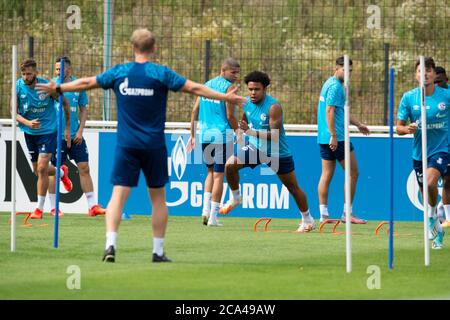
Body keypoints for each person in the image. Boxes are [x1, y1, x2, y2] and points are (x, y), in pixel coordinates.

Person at [36, 28, 246, 263]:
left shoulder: (120, 71)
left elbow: (87, 82)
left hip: (126, 145)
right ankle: (157, 251)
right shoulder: (160, 73)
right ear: (153, 48)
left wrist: (60, 87)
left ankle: (110, 245)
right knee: (157, 198)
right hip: (153, 145)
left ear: (133, 48)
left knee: (118, 196)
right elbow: (196, 88)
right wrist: (226, 97)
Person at [219, 71, 316, 232]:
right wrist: (240, 132)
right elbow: (245, 117)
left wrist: (249, 132)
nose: (252, 93)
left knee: (292, 187)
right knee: (230, 165)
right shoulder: (247, 103)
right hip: (256, 148)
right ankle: (236, 197)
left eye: (256, 89)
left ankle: (308, 219)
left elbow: (275, 136)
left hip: (277, 152)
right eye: (250, 89)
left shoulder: (273, 107)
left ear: (265, 89)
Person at [396, 57, 450, 249]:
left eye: (428, 70)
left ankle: (432, 215)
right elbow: (398, 128)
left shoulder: (446, 96)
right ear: (415, 75)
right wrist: (407, 129)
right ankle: (438, 230)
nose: (424, 74)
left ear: (434, 74)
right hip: (420, 153)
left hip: (442, 149)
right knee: (426, 192)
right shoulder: (409, 98)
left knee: (430, 182)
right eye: (420, 71)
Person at [48, 56, 106, 217]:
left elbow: (84, 109)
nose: (58, 72)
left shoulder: (77, 86)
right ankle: (54, 208)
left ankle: (92, 206)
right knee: (53, 171)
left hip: (75, 136)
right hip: (56, 136)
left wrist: (80, 131)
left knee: (84, 168)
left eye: (61, 69)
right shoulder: (51, 86)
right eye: (56, 69)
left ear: (68, 69)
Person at [15, 59, 73, 219]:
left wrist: (67, 127)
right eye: (24, 74)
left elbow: (65, 104)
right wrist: (27, 123)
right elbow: (13, 112)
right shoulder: (18, 87)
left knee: (41, 168)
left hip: (48, 131)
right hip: (29, 132)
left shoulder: (45, 87)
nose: (26, 77)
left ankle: (39, 209)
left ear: (36, 74)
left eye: (29, 74)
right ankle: (61, 173)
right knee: (37, 170)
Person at [316, 56, 370, 224]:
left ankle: (324, 215)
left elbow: (341, 112)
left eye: (351, 71)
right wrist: (333, 135)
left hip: (325, 137)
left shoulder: (330, 84)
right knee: (353, 172)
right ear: (337, 68)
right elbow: (329, 111)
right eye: (345, 70)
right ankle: (347, 213)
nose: (348, 74)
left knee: (327, 174)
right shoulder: (335, 87)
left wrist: (358, 124)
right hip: (337, 137)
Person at [187, 58, 240, 227]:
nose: (236, 76)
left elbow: (194, 110)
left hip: (206, 135)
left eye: (237, 73)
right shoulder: (228, 88)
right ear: (223, 71)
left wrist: (193, 135)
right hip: (222, 135)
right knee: (219, 176)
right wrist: (239, 132)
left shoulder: (206, 85)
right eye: (233, 72)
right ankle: (213, 218)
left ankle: (204, 211)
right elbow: (230, 116)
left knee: (210, 173)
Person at [434, 66, 450, 227]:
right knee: (447, 180)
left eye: (440, 81)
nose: (437, 84)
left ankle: (440, 207)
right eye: (435, 82)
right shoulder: (433, 97)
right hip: (443, 145)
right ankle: (447, 216)